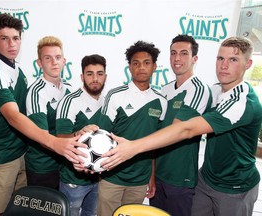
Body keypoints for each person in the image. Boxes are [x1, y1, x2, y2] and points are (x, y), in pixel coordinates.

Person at [102, 36, 262, 216]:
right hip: (204, 179)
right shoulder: (211, 90)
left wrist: (132, 147)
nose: (224, 65)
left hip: (231, 185)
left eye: (233, 59)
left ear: (248, 64)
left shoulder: (236, 100)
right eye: (220, 59)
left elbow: (185, 129)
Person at [0, 14, 84, 216]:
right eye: (4, 38)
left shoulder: (16, 68)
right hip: (2, 156)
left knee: (21, 205)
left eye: (15, 38)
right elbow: (13, 116)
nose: (11, 44)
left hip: (22, 151)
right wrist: (53, 142)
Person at [97, 41, 168, 216]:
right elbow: (102, 137)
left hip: (139, 181)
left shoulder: (161, 101)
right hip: (111, 177)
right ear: (129, 67)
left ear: (154, 67)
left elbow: (154, 145)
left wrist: (151, 177)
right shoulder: (115, 95)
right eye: (136, 63)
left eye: (146, 63)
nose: (141, 67)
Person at [150, 35, 212, 216]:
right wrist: (151, 174)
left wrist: (133, 147)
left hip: (180, 178)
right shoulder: (164, 89)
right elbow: (156, 131)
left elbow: (179, 130)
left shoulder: (198, 89)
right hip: (159, 175)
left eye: (184, 53)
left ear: (195, 59)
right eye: (173, 53)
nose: (177, 58)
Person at [56, 54, 107, 216]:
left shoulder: (108, 102)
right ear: (82, 76)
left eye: (99, 74)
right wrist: (78, 133)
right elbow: (59, 139)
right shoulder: (70, 101)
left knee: (90, 214)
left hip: (98, 178)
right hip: (73, 180)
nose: (95, 78)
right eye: (89, 73)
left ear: (105, 76)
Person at [25, 36, 73, 189]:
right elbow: (42, 137)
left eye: (58, 57)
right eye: (48, 58)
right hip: (42, 166)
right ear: (39, 63)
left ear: (64, 61)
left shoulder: (69, 89)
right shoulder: (36, 93)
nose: (54, 62)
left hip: (65, 163)